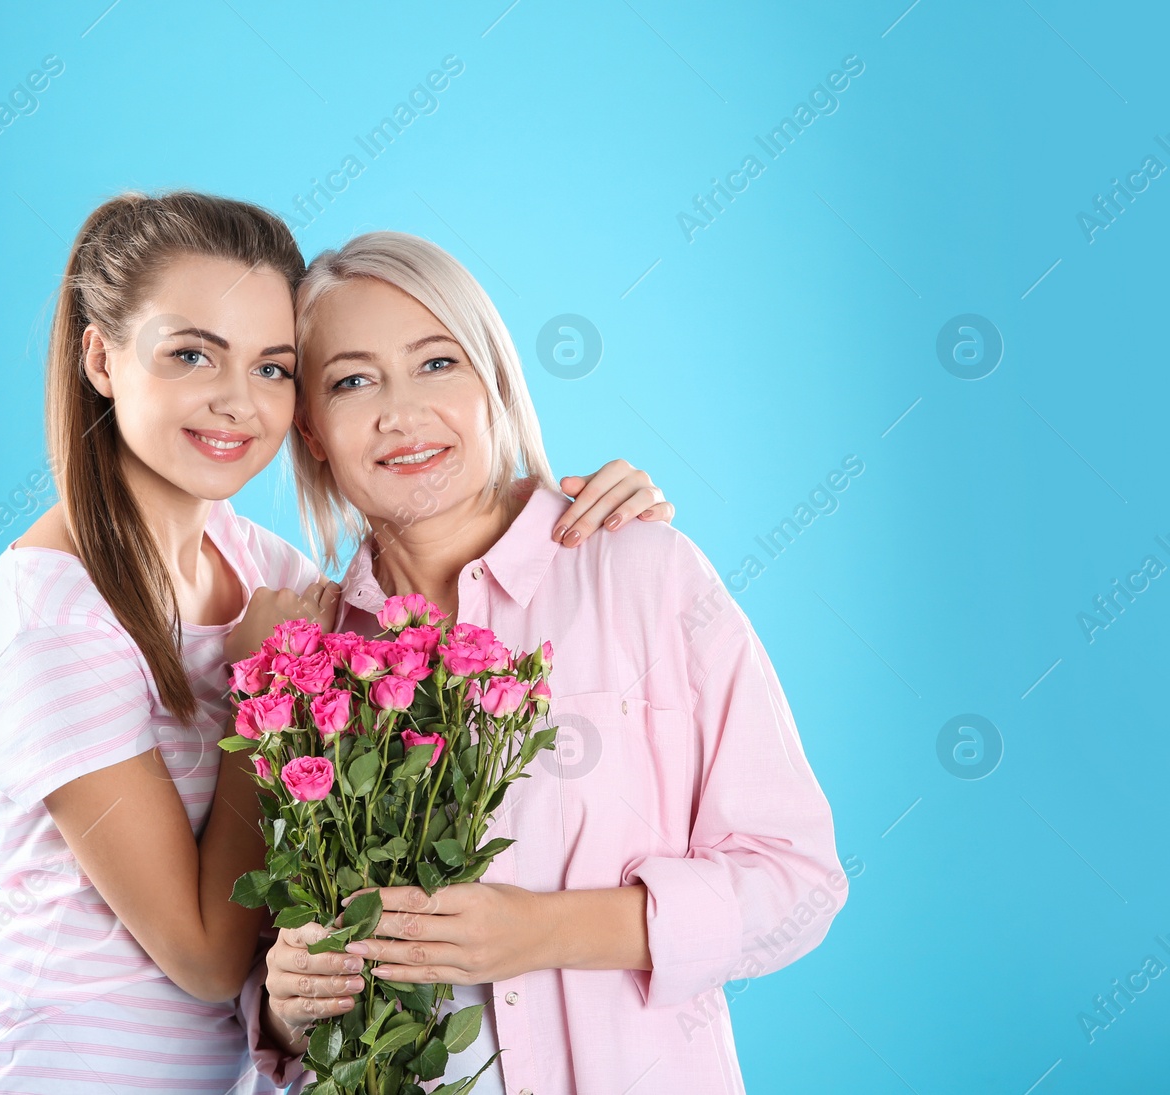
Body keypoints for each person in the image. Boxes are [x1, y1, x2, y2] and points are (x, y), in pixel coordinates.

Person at [0, 192, 674, 1094]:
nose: (237, 402)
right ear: (101, 357)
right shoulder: (56, 620)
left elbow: (440, 590)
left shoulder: (258, 560)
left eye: (272, 367)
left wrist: (595, 519)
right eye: (191, 354)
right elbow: (207, 956)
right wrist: (254, 684)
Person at [248, 232, 846, 1094]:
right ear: (310, 428)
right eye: (352, 380)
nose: (402, 413)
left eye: (437, 363)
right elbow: (277, 1003)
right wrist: (286, 1002)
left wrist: (545, 931)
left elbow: (797, 885)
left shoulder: (642, 571)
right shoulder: (308, 662)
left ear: (493, 376)